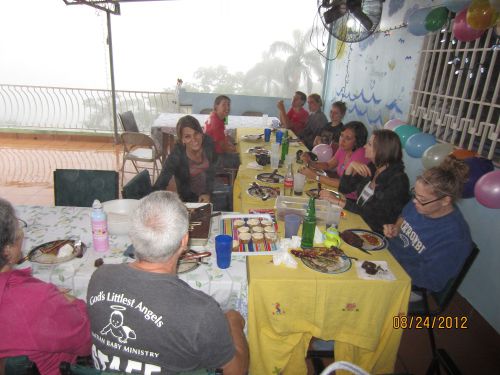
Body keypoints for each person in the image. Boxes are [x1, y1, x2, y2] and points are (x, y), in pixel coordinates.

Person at [87, 191, 249, 374]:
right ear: (184, 241)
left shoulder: (99, 278)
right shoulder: (201, 312)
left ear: (132, 237)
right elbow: (236, 371)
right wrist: (233, 322)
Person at [0, 198, 91, 375]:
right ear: (8, 251)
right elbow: (87, 340)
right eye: (17, 227)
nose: (21, 233)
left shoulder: (35, 296)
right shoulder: (36, 299)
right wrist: (71, 302)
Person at [384, 157, 472, 294]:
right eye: (415, 194)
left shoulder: (455, 238)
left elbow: (432, 280)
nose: (415, 202)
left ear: (445, 200)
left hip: (407, 283)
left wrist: (388, 266)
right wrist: (396, 228)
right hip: (387, 257)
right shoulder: (420, 204)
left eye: (422, 199)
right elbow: (403, 216)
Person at [320, 129, 410, 234]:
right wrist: (350, 167)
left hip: (373, 233)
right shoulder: (373, 167)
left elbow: (375, 216)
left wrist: (340, 202)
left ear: (382, 150)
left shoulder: (398, 181)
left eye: (370, 144)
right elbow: (344, 188)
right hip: (357, 222)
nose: (364, 147)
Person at [153, 115, 216, 203]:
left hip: (212, 192)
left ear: (201, 133)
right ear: (182, 139)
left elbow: (213, 170)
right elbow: (159, 185)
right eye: (187, 136)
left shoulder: (208, 143)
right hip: (191, 201)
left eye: (196, 133)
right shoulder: (176, 156)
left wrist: (207, 193)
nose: (194, 139)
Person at [300, 121, 369, 200]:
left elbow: (344, 184)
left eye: (348, 138)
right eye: (342, 135)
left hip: (350, 199)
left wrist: (315, 176)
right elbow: (329, 165)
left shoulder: (360, 155)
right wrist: (310, 162)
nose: (342, 140)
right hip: (338, 191)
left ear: (357, 141)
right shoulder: (344, 148)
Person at [204, 95, 240, 169]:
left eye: (228, 105)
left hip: (211, 154)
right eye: (224, 104)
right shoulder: (216, 122)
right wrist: (235, 150)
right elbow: (223, 147)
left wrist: (231, 145)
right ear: (216, 106)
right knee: (241, 159)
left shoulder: (216, 116)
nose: (227, 108)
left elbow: (224, 136)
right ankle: (235, 179)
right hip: (214, 158)